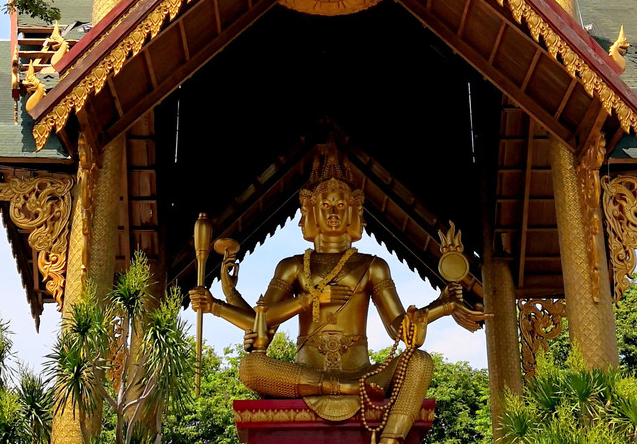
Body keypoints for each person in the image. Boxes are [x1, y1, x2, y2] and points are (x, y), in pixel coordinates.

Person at [190, 141, 484, 443]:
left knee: (420, 360)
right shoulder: (291, 266)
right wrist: (218, 304)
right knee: (250, 366)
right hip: (307, 374)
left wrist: (439, 307)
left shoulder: (372, 266)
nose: (333, 212)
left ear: (354, 210)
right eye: (326, 205)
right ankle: (339, 388)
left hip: (364, 375)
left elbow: (400, 330)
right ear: (311, 210)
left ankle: (390, 438)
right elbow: (262, 324)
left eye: (341, 205)